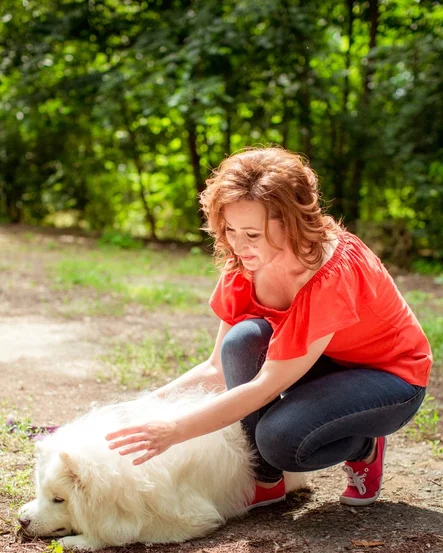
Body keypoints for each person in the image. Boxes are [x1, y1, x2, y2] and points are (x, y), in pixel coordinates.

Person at [106, 147, 432, 508]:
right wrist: (137, 408)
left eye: (252, 234)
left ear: (290, 222)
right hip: (321, 359)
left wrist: (173, 431)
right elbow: (218, 367)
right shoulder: (244, 263)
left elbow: (264, 386)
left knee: (281, 440)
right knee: (241, 342)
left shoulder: (329, 274)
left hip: (390, 376)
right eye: (229, 229)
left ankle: (364, 446)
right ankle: (266, 480)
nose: (238, 244)